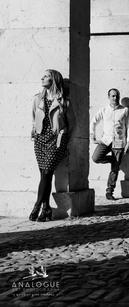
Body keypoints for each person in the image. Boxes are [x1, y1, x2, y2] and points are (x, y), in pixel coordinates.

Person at [30, 69, 70, 222]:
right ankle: (46, 209)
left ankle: (37, 205)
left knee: (46, 173)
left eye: (46, 76)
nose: (42, 78)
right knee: (44, 175)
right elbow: (34, 118)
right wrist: (34, 131)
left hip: (56, 141)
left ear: (54, 79)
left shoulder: (64, 101)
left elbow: (72, 123)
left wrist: (65, 139)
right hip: (40, 140)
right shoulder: (37, 99)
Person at [90, 88, 129, 200]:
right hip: (105, 140)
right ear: (109, 97)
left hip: (119, 141)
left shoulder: (125, 110)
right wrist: (93, 136)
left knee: (115, 168)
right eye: (113, 96)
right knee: (95, 158)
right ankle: (112, 159)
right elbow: (93, 121)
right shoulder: (104, 110)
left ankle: (109, 191)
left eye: (117, 96)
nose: (115, 98)